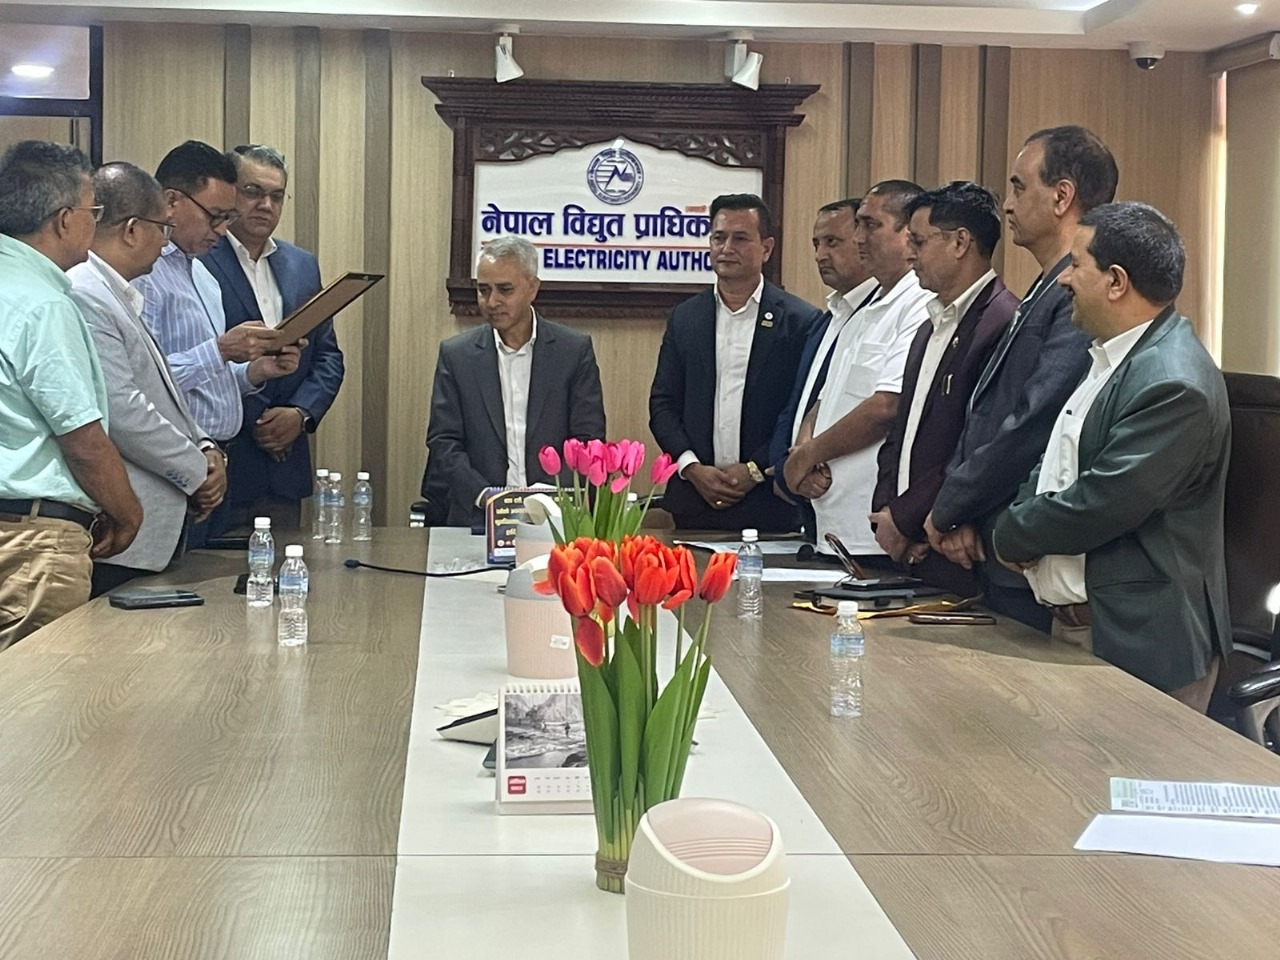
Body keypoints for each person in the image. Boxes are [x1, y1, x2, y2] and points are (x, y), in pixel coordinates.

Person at [992, 202, 1230, 713]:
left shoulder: (1173, 382)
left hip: (1141, 645)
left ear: (1116, 281)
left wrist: (1010, 533)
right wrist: (1020, 516)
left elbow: (1100, 503)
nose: (1063, 279)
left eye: (1076, 264)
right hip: (1084, 630)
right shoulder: (1111, 355)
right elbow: (1053, 462)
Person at [925, 126, 1117, 630]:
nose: (1007, 205)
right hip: (989, 535)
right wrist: (961, 509)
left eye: (1018, 187)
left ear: (1061, 197)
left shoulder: (1076, 296)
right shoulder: (1042, 286)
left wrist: (951, 507)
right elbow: (985, 412)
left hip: (1022, 548)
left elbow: (1033, 421)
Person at [0, 141, 142, 646]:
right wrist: (127, 513)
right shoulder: (43, 304)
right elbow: (81, 438)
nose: (94, 224)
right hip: (31, 544)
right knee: (38, 690)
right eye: (92, 212)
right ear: (64, 221)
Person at [68, 162, 227, 596]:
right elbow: (123, 411)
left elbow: (165, 395)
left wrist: (206, 447)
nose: (166, 242)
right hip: (121, 525)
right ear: (133, 229)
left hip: (152, 528)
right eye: (163, 228)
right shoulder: (86, 293)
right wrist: (197, 470)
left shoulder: (117, 292)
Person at [135, 141, 302, 545]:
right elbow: (140, 383)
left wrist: (254, 372)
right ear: (171, 202)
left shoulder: (202, 275)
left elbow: (210, 378)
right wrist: (221, 350)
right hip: (168, 467)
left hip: (219, 462)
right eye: (214, 216)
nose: (222, 230)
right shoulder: (145, 275)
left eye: (227, 218)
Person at [870, 182, 1019, 595]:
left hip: (955, 545)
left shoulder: (1002, 323)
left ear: (959, 242)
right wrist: (889, 513)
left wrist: (907, 519)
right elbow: (901, 433)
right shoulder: (928, 327)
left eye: (919, 241)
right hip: (911, 546)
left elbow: (976, 445)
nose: (910, 254)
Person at [649, 193, 822, 532]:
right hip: (695, 499)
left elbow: (800, 410)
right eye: (719, 237)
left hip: (769, 502)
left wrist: (754, 470)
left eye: (740, 238)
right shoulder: (685, 318)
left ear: (766, 248)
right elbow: (663, 404)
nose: (727, 248)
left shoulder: (800, 321)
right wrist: (691, 467)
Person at [201, 144, 344, 533]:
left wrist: (300, 414)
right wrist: (261, 422)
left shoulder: (301, 265)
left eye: (276, 196)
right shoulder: (200, 259)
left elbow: (327, 356)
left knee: (286, 567)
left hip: (286, 470)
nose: (265, 205)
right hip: (223, 464)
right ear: (231, 192)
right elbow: (191, 357)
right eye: (253, 192)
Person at [784, 181, 930, 558]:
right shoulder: (864, 308)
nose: (860, 237)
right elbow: (827, 397)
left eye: (871, 225)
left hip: (875, 531)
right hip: (833, 526)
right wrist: (802, 448)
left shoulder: (920, 303)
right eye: (859, 225)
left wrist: (807, 456)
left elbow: (886, 407)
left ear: (909, 232)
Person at [422, 236, 606, 527]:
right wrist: (487, 497)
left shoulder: (572, 352)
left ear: (532, 288)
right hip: (476, 519)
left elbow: (588, 440)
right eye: (484, 290)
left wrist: (543, 499)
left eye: (504, 290)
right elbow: (443, 442)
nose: (492, 302)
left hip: (553, 519)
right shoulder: (457, 356)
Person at [768, 198, 878, 542]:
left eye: (833, 242)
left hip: (855, 509)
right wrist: (786, 469)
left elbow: (880, 408)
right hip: (810, 504)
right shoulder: (826, 319)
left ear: (863, 241)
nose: (820, 255)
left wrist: (806, 462)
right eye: (816, 244)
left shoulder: (878, 315)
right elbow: (797, 405)